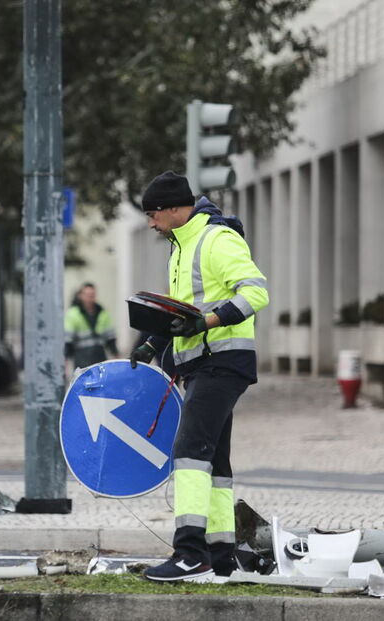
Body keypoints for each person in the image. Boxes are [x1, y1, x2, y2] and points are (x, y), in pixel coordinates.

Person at [130, 171, 269, 582]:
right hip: (202, 365)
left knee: (189, 450)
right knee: (214, 461)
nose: (151, 223)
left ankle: (190, 554)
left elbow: (256, 292)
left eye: (153, 214)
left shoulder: (217, 239)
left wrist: (207, 322)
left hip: (221, 362)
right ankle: (221, 555)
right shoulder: (181, 246)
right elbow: (182, 310)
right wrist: (152, 343)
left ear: (174, 208)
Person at [64, 282, 118, 369]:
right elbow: (68, 341)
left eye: (92, 295)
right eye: (87, 295)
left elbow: (110, 339)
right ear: (80, 296)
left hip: (100, 358)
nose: (90, 298)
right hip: (81, 359)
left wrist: (116, 356)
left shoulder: (102, 313)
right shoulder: (73, 314)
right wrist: (65, 362)